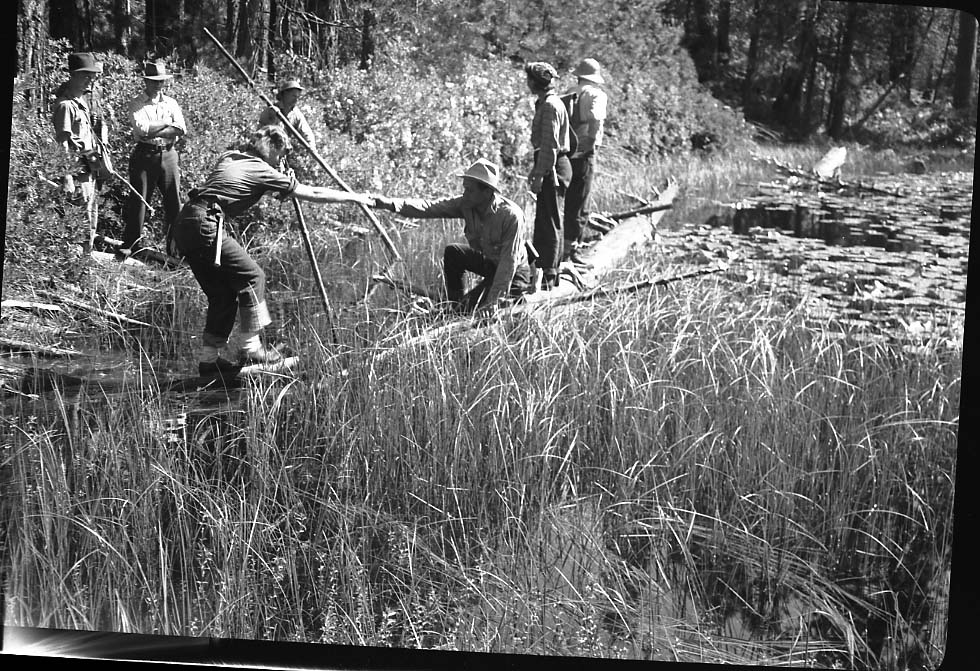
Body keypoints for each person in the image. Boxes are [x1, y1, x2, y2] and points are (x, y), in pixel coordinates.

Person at [171, 125, 372, 376]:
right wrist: (353, 197)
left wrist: (281, 179)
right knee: (253, 276)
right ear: (273, 147)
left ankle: (209, 361)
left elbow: (251, 184)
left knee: (222, 295)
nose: (282, 159)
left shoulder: (231, 156)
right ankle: (251, 348)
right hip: (207, 223)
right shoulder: (262, 170)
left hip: (185, 222)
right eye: (282, 153)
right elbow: (312, 192)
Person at [371, 158, 532, 314]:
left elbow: (508, 264)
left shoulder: (511, 216)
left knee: (468, 310)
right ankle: (454, 303)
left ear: (487, 192)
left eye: (470, 190)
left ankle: (465, 308)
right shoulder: (466, 204)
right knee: (454, 252)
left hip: (514, 274)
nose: (465, 193)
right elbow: (430, 207)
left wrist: (493, 301)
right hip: (490, 264)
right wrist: (389, 204)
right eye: (465, 188)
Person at [120, 61, 187, 258]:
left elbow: (181, 129)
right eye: (154, 81)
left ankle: (175, 248)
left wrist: (155, 128)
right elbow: (142, 130)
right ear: (146, 81)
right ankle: (131, 245)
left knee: (174, 202)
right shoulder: (137, 103)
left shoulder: (171, 102)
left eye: (161, 81)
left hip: (168, 154)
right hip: (144, 155)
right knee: (139, 200)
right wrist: (167, 122)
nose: (158, 85)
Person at [524, 61, 572, 290]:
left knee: (550, 221)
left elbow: (550, 146)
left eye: (529, 79)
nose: (527, 83)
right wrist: (537, 170)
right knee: (546, 220)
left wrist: (540, 175)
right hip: (550, 164)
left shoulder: (551, 106)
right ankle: (547, 272)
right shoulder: (546, 103)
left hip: (553, 166)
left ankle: (550, 276)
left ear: (535, 82)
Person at [52, 52, 104, 255]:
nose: (89, 81)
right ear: (72, 76)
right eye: (85, 76)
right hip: (77, 173)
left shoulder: (81, 104)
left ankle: (84, 264)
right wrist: (67, 178)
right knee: (77, 224)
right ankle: (72, 269)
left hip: (88, 171)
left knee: (90, 221)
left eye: (91, 76)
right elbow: (62, 144)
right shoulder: (66, 106)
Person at [562, 58, 607, 263]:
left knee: (571, 201)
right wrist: (590, 141)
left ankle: (565, 248)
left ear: (579, 76)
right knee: (582, 203)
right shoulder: (596, 94)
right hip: (585, 153)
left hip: (567, 152)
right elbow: (595, 117)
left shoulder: (570, 92)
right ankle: (572, 251)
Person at [258, 79, 316, 150]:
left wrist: (312, 148)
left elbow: (307, 132)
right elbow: (260, 131)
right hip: (265, 147)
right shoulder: (270, 111)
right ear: (285, 94)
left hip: (282, 150)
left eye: (298, 97)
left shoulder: (296, 114)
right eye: (293, 96)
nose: (296, 99)